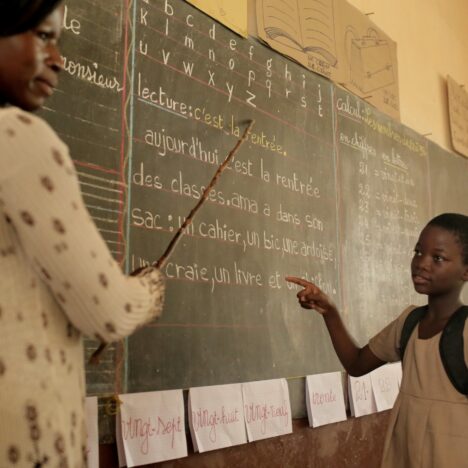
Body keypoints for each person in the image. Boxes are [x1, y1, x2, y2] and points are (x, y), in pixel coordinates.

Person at [0, 1, 165, 466]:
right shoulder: (18, 136)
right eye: (43, 36)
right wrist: (149, 289)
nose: (58, 59)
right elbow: (106, 311)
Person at [287, 213, 468, 468]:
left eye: (437, 258)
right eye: (418, 252)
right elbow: (356, 364)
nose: (422, 263)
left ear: (466, 271)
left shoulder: (465, 331)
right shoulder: (409, 323)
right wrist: (330, 313)